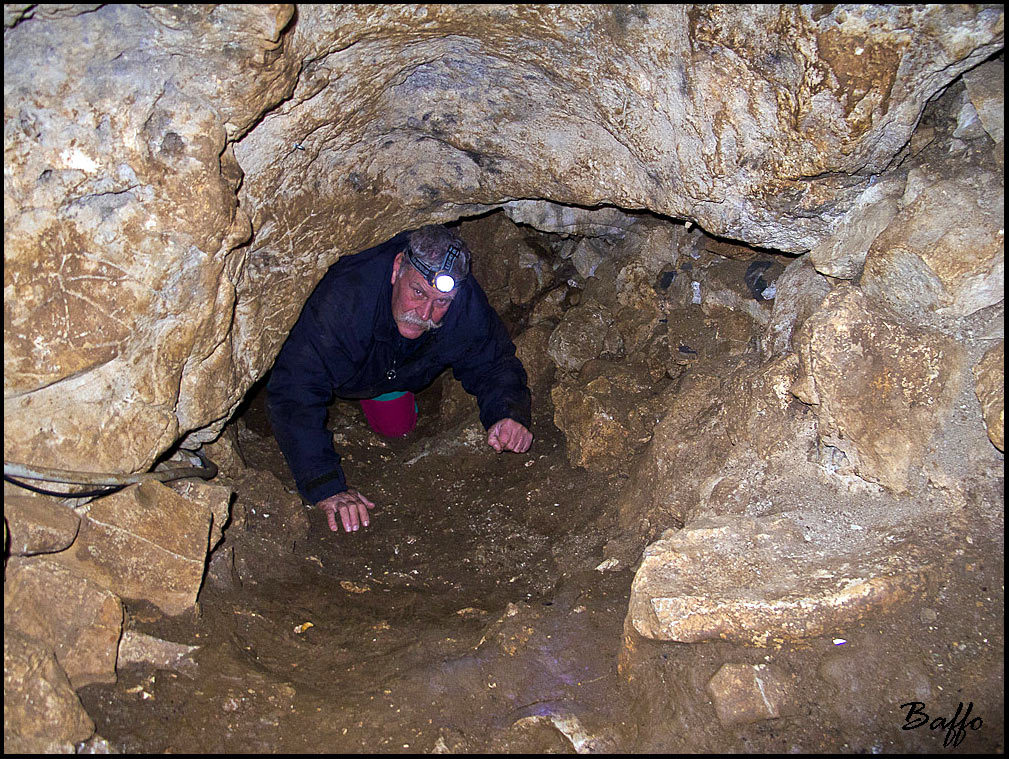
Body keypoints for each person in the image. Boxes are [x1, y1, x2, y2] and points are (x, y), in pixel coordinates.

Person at [267, 224, 533, 535]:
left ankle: (383, 392)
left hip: (399, 369)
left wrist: (507, 413)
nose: (425, 312)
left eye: (441, 302)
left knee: (396, 427)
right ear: (397, 269)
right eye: (418, 292)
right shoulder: (346, 300)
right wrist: (324, 485)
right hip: (351, 362)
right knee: (317, 387)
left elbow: (493, 362)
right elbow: (295, 389)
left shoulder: (464, 304)